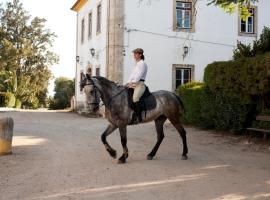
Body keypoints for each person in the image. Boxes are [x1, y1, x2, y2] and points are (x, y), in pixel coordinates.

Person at [126, 48, 148, 122]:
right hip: (133, 84)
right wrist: (128, 82)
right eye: (134, 54)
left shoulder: (142, 64)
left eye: (135, 54)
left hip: (140, 84)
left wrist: (132, 83)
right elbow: (132, 75)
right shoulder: (136, 64)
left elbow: (139, 75)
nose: (134, 55)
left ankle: (139, 117)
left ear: (140, 54)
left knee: (135, 98)